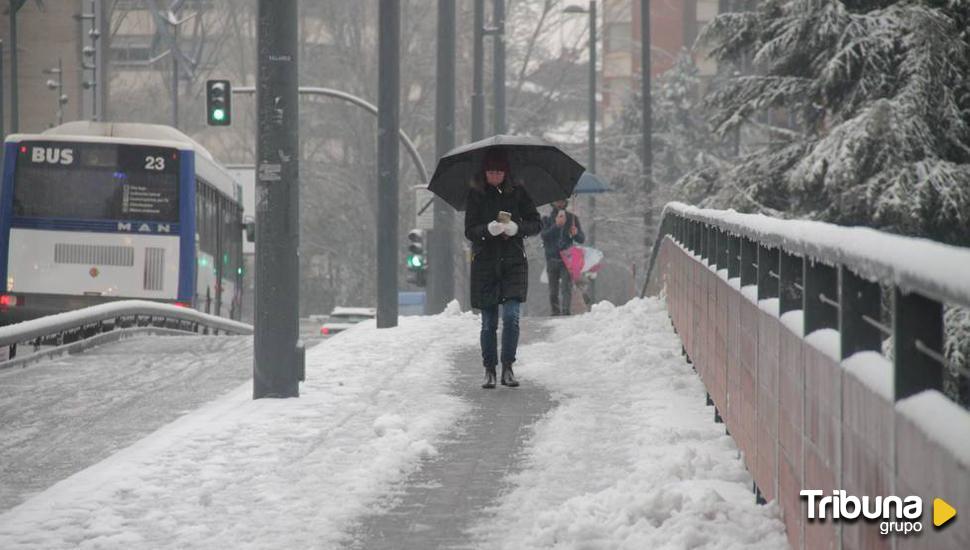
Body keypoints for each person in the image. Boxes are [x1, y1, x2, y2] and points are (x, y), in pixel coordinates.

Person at [465, 148, 541, 389]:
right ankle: (489, 368)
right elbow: (469, 230)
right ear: (485, 172)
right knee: (488, 322)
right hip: (485, 264)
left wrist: (517, 229)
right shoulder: (476, 195)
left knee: (511, 317)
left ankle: (508, 366)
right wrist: (487, 230)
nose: (494, 176)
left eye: (498, 171)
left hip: (513, 263)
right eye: (490, 171)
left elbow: (536, 222)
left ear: (505, 173)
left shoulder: (518, 193)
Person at [541, 199, 584, 315]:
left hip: (567, 259)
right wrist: (556, 226)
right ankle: (555, 311)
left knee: (566, 288)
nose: (560, 203)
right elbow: (544, 236)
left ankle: (566, 311)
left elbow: (581, 239)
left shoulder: (572, 218)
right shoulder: (547, 219)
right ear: (553, 203)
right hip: (551, 259)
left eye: (562, 201)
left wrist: (575, 234)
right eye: (557, 201)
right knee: (553, 290)